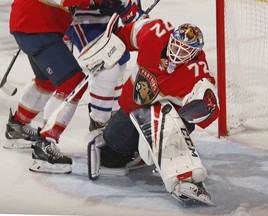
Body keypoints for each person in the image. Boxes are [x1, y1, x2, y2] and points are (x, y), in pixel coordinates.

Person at [87, 18, 219, 204]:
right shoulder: (154, 32)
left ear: (195, 53)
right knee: (111, 155)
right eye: (176, 46)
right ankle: (138, 153)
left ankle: (184, 175)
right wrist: (108, 49)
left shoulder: (197, 71)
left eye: (185, 51)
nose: (177, 53)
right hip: (130, 109)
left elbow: (207, 114)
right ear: (171, 38)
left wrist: (205, 105)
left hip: (168, 121)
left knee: (162, 111)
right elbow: (127, 35)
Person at [4, 0, 117, 174]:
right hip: (38, 25)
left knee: (46, 80)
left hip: (29, 22)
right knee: (74, 83)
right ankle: (45, 145)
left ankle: (17, 127)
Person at [65, 0, 143, 131]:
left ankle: (113, 114)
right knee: (106, 68)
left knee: (119, 61)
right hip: (81, 21)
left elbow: (128, 10)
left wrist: (139, 19)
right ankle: (99, 121)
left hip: (108, 21)